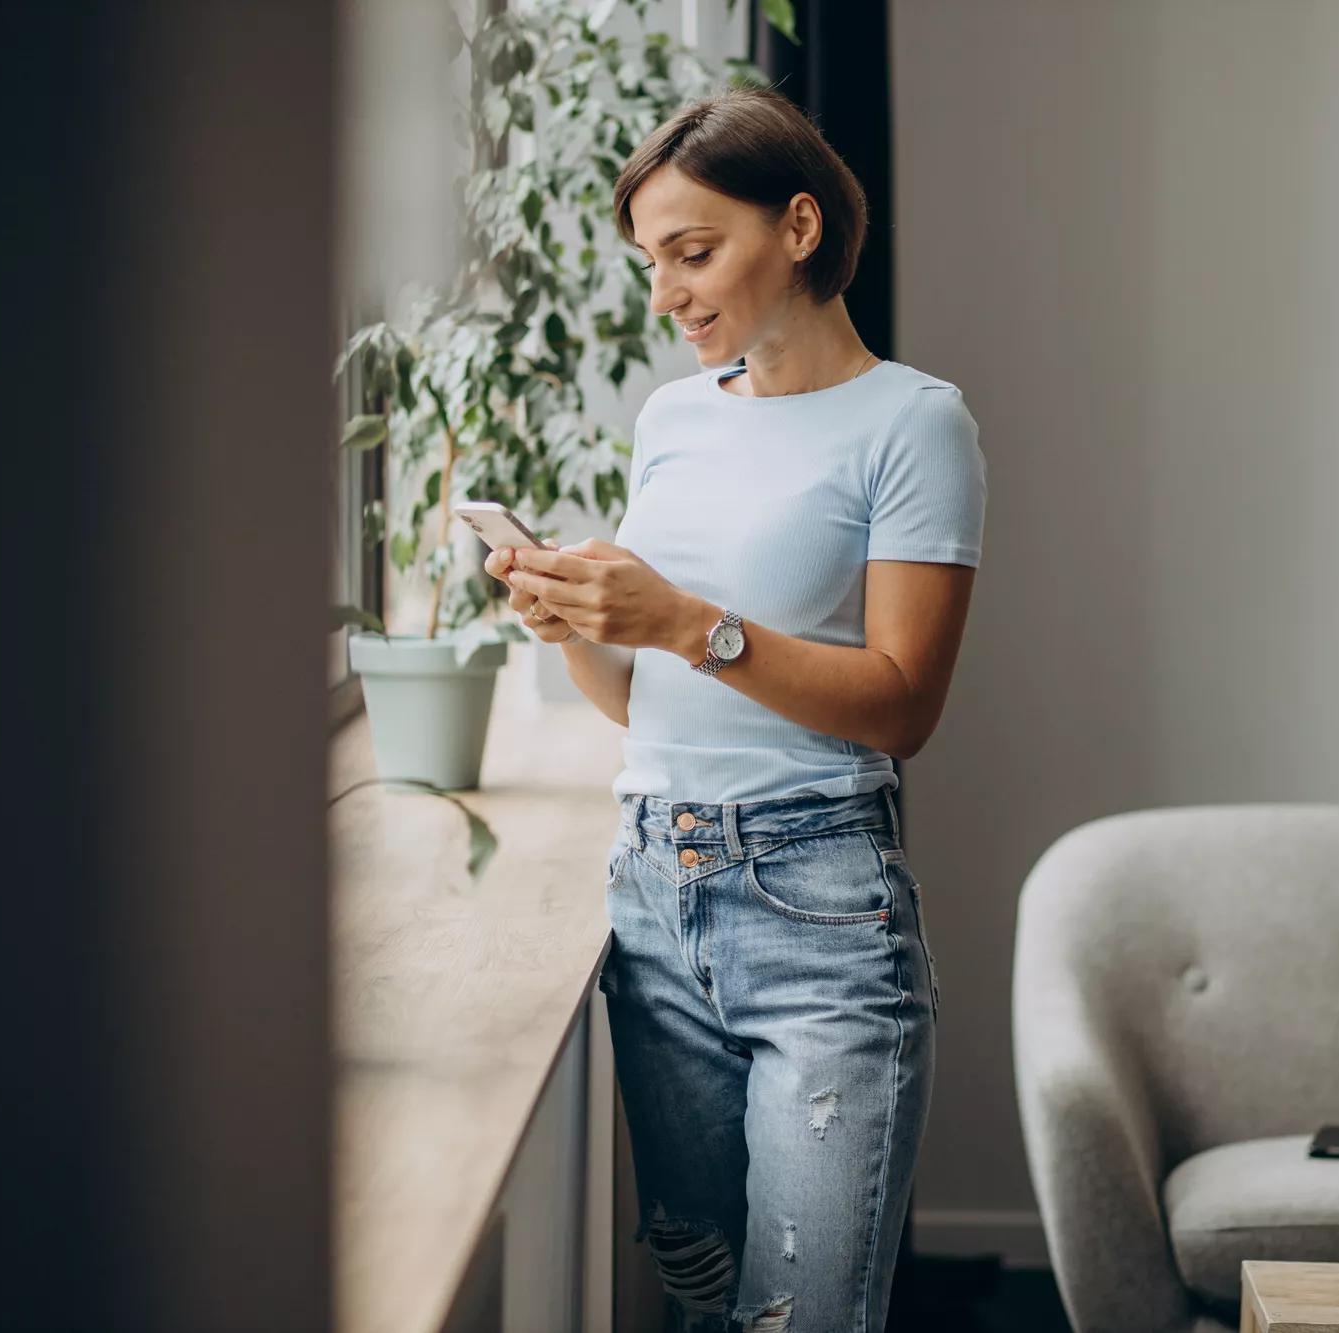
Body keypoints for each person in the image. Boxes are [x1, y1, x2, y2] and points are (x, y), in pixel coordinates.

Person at [482, 86, 985, 1333]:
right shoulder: (668, 419)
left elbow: (901, 705)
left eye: (693, 252)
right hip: (653, 893)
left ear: (799, 226)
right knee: (703, 1298)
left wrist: (676, 620)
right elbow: (641, 697)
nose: (667, 294)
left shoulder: (914, 425)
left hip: (817, 907)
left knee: (801, 1314)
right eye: (652, 261)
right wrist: (577, 624)